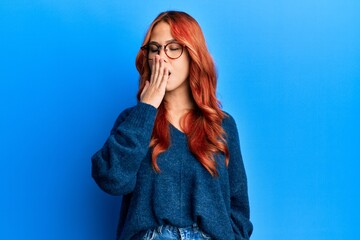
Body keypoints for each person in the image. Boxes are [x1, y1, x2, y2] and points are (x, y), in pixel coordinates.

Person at [91, 11, 253, 240]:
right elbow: (111, 179)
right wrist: (146, 108)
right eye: (154, 49)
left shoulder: (222, 126)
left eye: (173, 47)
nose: (161, 58)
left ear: (192, 54)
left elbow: (239, 207)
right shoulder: (133, 120)